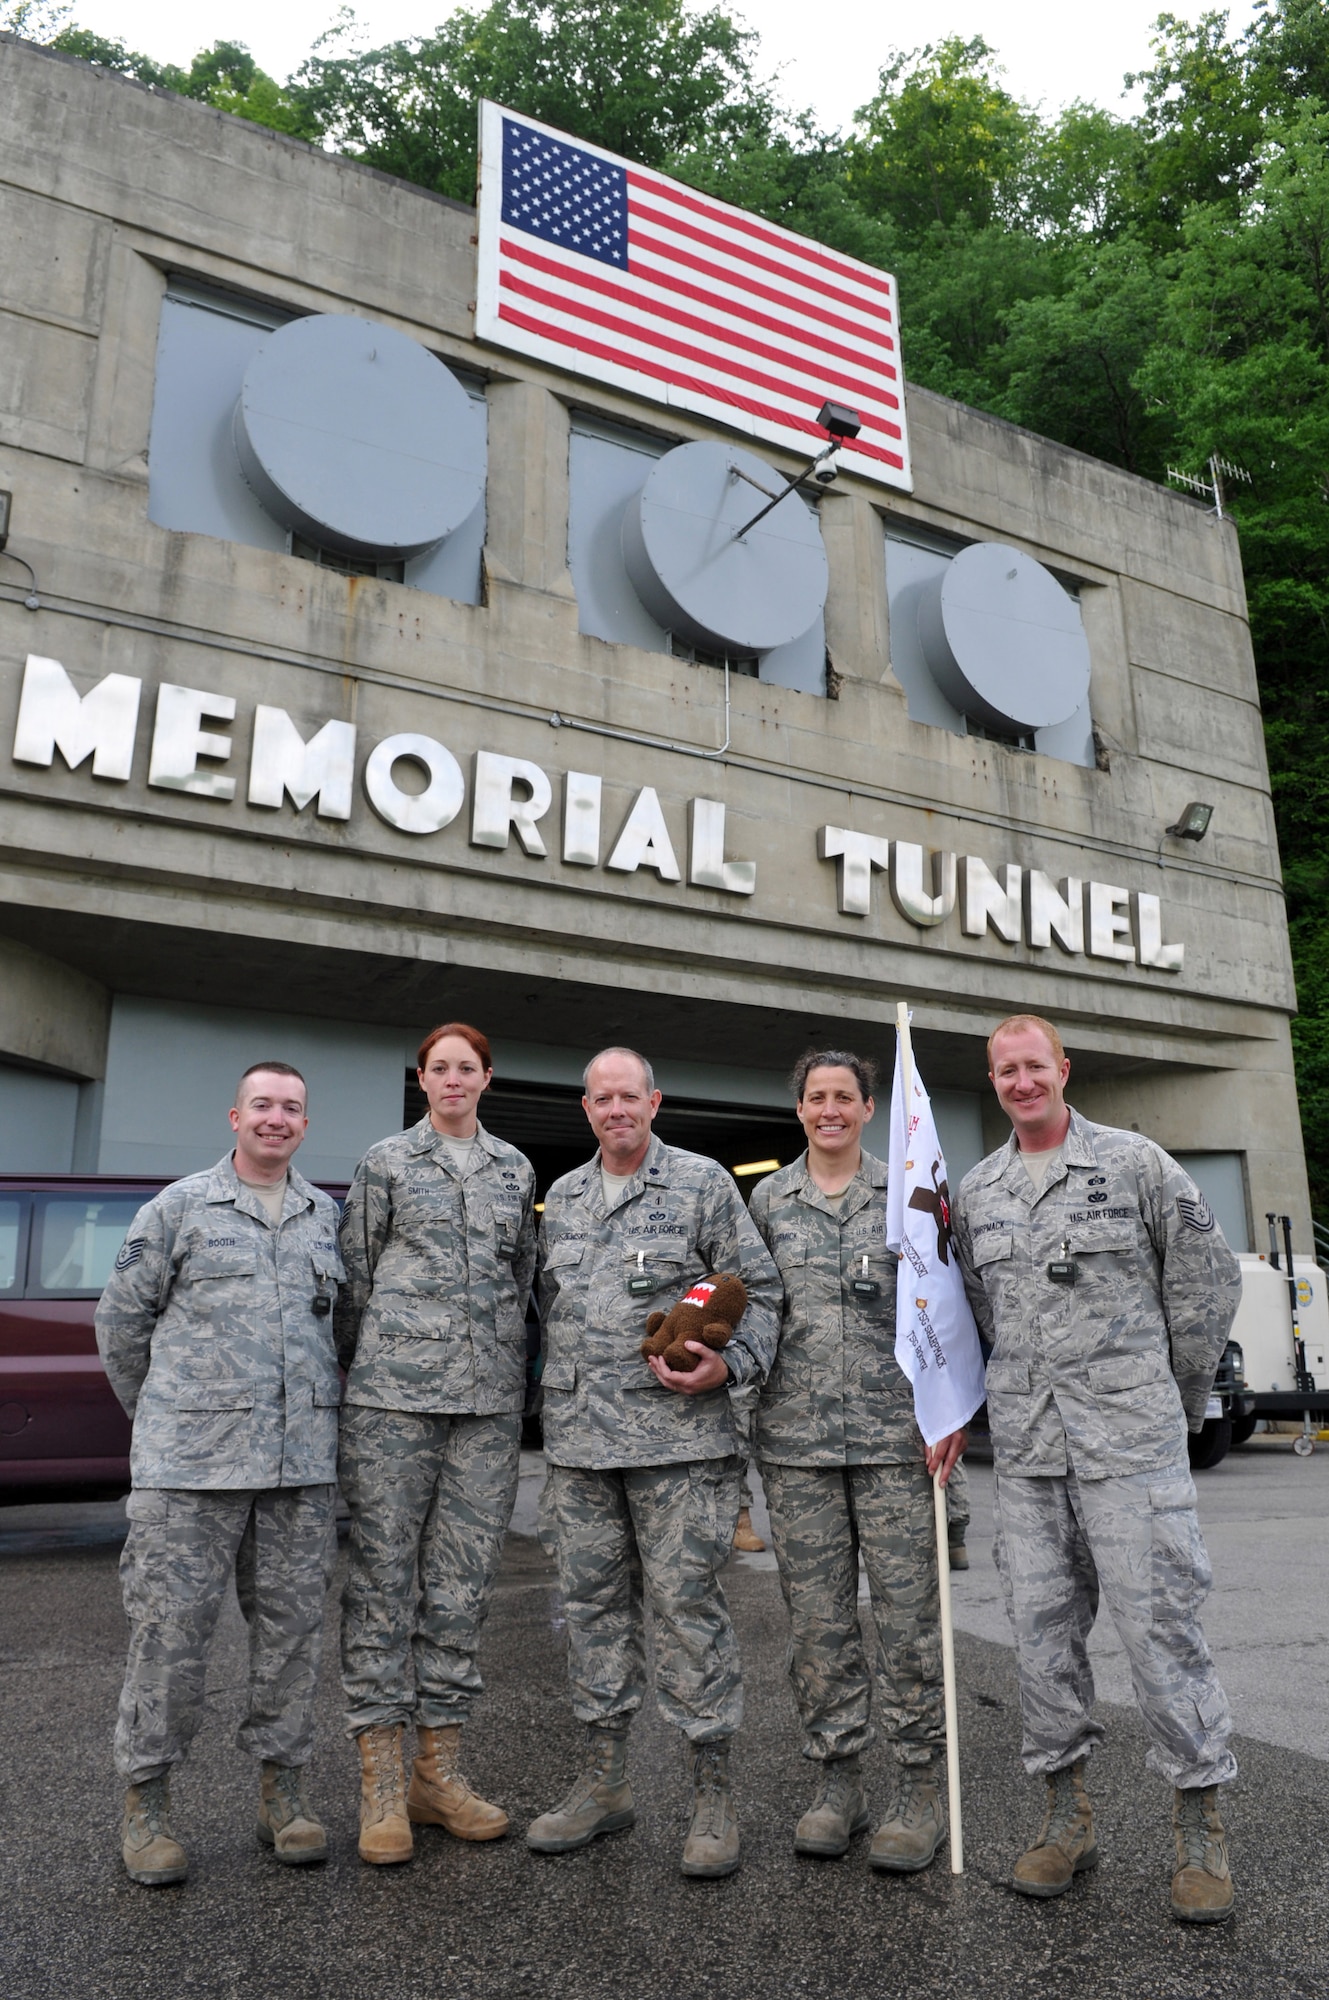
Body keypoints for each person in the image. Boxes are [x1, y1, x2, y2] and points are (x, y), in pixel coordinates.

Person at [952, 1014, 1242, 1924]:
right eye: (1005, 1070)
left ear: (1062, 1069)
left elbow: (1204, 1283)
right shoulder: (979, 1189)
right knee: (1039, 1641)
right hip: (1033, 1460)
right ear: (992, 1080)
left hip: (1131, 1451)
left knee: (1161, 1637)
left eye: (1034, 1065)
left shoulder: (1135, 1163)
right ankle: (1064, 1819)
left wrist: (1173, 1402)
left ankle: (1198, 1829)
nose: (1021, 1081)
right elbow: (975, 1309)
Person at [527, 1047, 781, 1877]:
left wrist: (731, 1364)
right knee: (591, 1614)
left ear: (653, 1100)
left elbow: (760, 1292)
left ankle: (712, 1797)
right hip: (579, 1450)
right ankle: (604, 1786)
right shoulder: (561, 1197)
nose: (615, 1110)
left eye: (628, 1096)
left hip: (679, 1449)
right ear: (586, 1107)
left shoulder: (702, 1183)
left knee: (687, 1615)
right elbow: (547, 1312)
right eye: (600, 1098)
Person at [96, 1063, 344, 1886]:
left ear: (305, 1126)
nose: (277, 1120)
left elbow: (335, 1338)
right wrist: (172, 1421)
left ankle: (284, 1798)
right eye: (264, 1106)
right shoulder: (179, 1208)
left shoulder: (324, 1219)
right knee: (170, 1641)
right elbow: (121, 1322)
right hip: (190, 1475)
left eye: (292, 1110)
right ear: (236, 1115)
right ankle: (148, 1806)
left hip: (297, 1471)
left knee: (291, 1643)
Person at [749, 1051, 966, 1870]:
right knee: (818, 1628)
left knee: (909, 1624)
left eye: (844, 1096)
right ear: (799, 1109)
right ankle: (836, 1781)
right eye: (815, 1097)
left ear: (870, 1107)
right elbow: (753, 1310)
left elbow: (949, 1306)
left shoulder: (906, 1194)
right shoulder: (769, 1198)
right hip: (797, 1449)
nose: (829, 1109)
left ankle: (917, 1788)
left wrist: (951, 1414)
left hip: (893, 1447)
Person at [335, 1022, 536, 1866]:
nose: (453, 1080)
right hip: (392, 1406)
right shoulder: (386, 1163)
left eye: (467, 1068)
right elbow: (353, 1279)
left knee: (460, 1590)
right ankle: (380, 1788)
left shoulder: (515, 1169)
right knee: (382, 1584)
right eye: (439, 1069)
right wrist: (376, 1370)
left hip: (485, 1411)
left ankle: (436, 1774)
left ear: (487, 1078)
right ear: (421, 1079)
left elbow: (520, 1278)